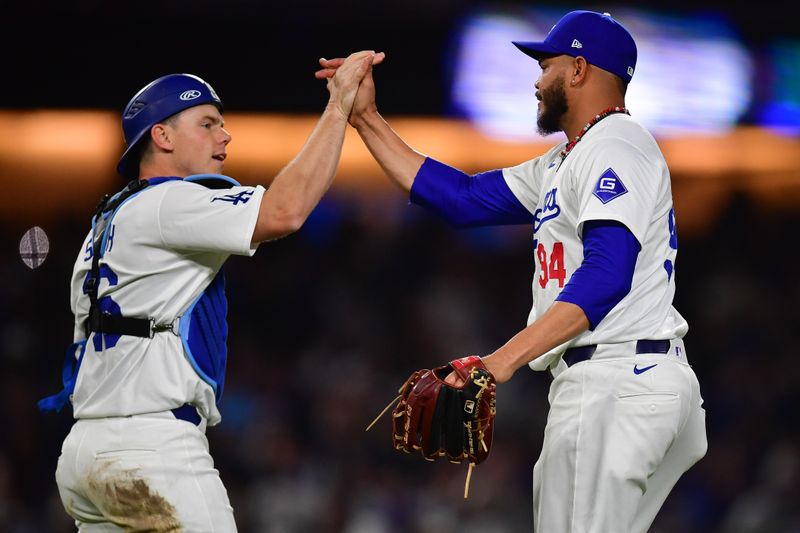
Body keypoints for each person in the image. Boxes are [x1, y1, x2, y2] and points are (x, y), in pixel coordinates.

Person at [317, 10, 707, 532]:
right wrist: (365, 117)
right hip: (633, 380)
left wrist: (498, 362)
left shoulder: (615, 145)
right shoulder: (568, 158)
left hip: (616, 382)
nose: (536, 79)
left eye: (546, 64)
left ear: (578, 69)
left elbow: (608, 273)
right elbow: (460, 199)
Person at [38, 50, 383, 531]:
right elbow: (285, 213)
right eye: (207, 123)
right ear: (161, 135)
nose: (225, 134)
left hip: (86, 451)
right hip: (151, 449)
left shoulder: (104, 225)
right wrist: (338, 108)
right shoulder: (169, 201)